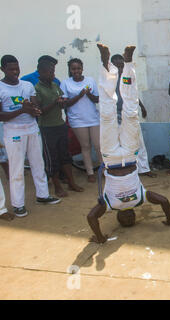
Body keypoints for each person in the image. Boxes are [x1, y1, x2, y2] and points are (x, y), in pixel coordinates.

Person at [87, 44, 170, 244]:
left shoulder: (114, 204)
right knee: (126, 112)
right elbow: (163, 201)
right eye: (131, 220)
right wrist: (169, 220)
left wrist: (100, 238)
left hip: (114, 157)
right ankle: (126, 64)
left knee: (111, 113)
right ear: (134, 216)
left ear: (121, 217)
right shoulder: (136, 199)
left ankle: (107, 63)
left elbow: (91, 217)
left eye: (125, 220)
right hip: (126, 156)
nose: (128, 218)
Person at [0, 55, 61, 218]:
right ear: (3, 69)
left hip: (32, 129)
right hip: (14, 132)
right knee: (17, 170)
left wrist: (35, 110)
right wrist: (22, 110)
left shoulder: (27, 85)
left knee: (38, 164)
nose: (15, 72)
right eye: (11, 69)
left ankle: (43, 195)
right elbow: (1, 116)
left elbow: (35, 105)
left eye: (17, 68)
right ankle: (18, 205)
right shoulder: (0, 88)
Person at [34, 60, 84, 197]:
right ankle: (57, 186)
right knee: (52, 159)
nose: (52, 75)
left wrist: (62, 103)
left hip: (60, 125)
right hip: (47, 128)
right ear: (41, 73)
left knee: (65, 156)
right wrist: (55, 102)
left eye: (53, 72)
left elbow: (62, 104)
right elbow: (39, 111)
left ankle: (71, 182)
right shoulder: (37, 89)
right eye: (50, 72)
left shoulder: (55, 85)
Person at [110, 54, 156, 178]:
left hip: (130, 115)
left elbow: (133, 93)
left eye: (121, 66)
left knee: (139, 142)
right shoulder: (108, 80)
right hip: (116, 117)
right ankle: (124, 170)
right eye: (117, 66)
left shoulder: (127, 78)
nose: (120, 69)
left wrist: (142, 106)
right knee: (120, 145)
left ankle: (144, 169)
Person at [60, 58, 102, 183]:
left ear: (82, 68)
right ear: (70, 70)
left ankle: (104, 169)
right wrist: (80, 95)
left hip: (93, 118)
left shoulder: (90, 81)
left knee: (99, 145)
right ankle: (90, 172)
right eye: (73, 69)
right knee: (85, 146)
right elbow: (65, 103)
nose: (76, 71)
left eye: (78, 68)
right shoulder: (66, 83)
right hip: (77, 120)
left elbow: (97, 99)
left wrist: (88, 94)